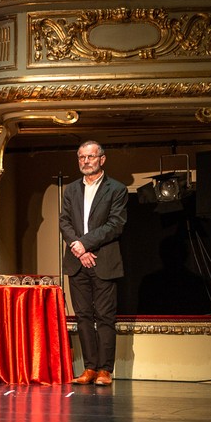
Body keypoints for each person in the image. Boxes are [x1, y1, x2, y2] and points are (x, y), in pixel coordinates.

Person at [59, 140, 128, 386]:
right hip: (77, 262)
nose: (85, 161)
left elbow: (115, 225)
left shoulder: (116, 189)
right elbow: (64, 222)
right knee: (84, 316)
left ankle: (105, 370)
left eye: (90, 157)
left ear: (102, 159)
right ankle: (89, 368)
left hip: (104, 260)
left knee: (105, 316)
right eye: (81, 157)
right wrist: (79, 250)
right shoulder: (71, 190)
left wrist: (85, 244)